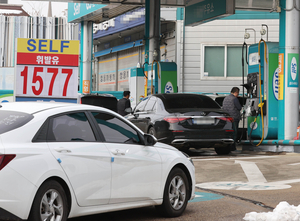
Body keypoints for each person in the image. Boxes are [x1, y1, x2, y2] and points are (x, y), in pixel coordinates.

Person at [222, 87, 242, 151]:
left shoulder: (225, 98)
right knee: (234, 133)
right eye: (238, 93)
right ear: (235, 92)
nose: (238, 95)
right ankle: (233, 147)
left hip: (227, 118)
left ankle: (228, 147)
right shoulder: (234, 99)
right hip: (234, 118)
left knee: (229, 133)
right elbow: (239, 107)